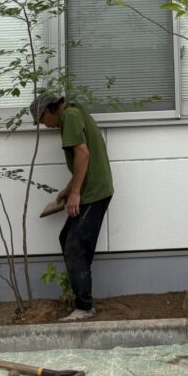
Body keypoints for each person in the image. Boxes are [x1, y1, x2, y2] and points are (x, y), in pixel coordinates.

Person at [32, 93, 113, 322]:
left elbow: (83, 154)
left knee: (74, 244)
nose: (44, 125)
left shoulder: (70, 117)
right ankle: (82, 295)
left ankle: (84, 307)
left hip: (94, 192)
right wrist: (70, 188)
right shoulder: (75, 114)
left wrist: (76, 193)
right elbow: (86, 158)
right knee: (68, 237)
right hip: (92, 188)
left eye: (41, 119)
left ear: (49, 110)